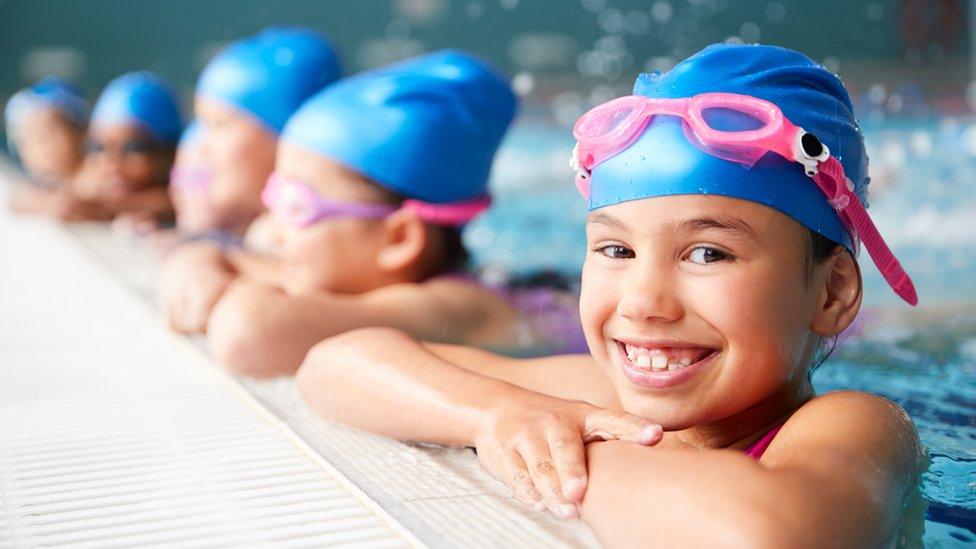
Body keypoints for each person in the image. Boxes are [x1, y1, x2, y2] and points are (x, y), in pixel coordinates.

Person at [295, 44, 925, 546]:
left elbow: (765, 534)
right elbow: (335, 363)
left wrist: (569, 457)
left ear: (834, 291)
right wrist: (494, 416)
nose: (644, 302)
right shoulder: (600, 398)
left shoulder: (855, 426)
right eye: (616, 251)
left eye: (708, 254)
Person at [203, 49, 524, 377]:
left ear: (399, 239)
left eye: (296, 205)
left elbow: (249, 333)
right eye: (274, 196)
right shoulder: (359, 281)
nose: (272, 229)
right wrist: (206, 261)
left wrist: (219, 277)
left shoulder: (454, 305)